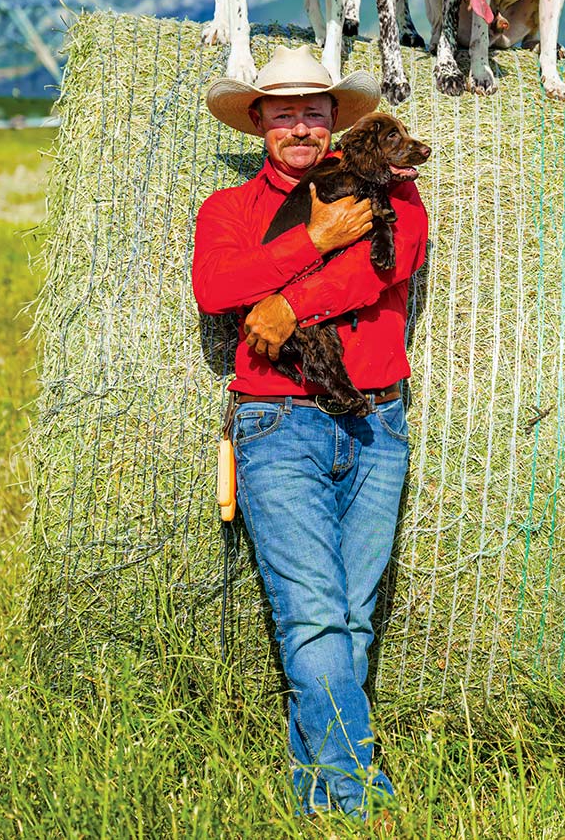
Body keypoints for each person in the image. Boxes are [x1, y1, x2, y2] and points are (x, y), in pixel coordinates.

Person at [191, 45, 427, 817]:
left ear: (337, 119)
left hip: (376, 425)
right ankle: (362, 797)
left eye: (315, 110)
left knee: (351, 618)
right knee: (317, 614)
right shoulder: (227, 210)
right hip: (276, 424)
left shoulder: (391, 188)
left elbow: (393, 262)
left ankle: (314, 788)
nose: (300, 125)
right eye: (284, 110)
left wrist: (293, 300)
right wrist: (315, 239)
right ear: (259, 120)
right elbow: (219, 286)